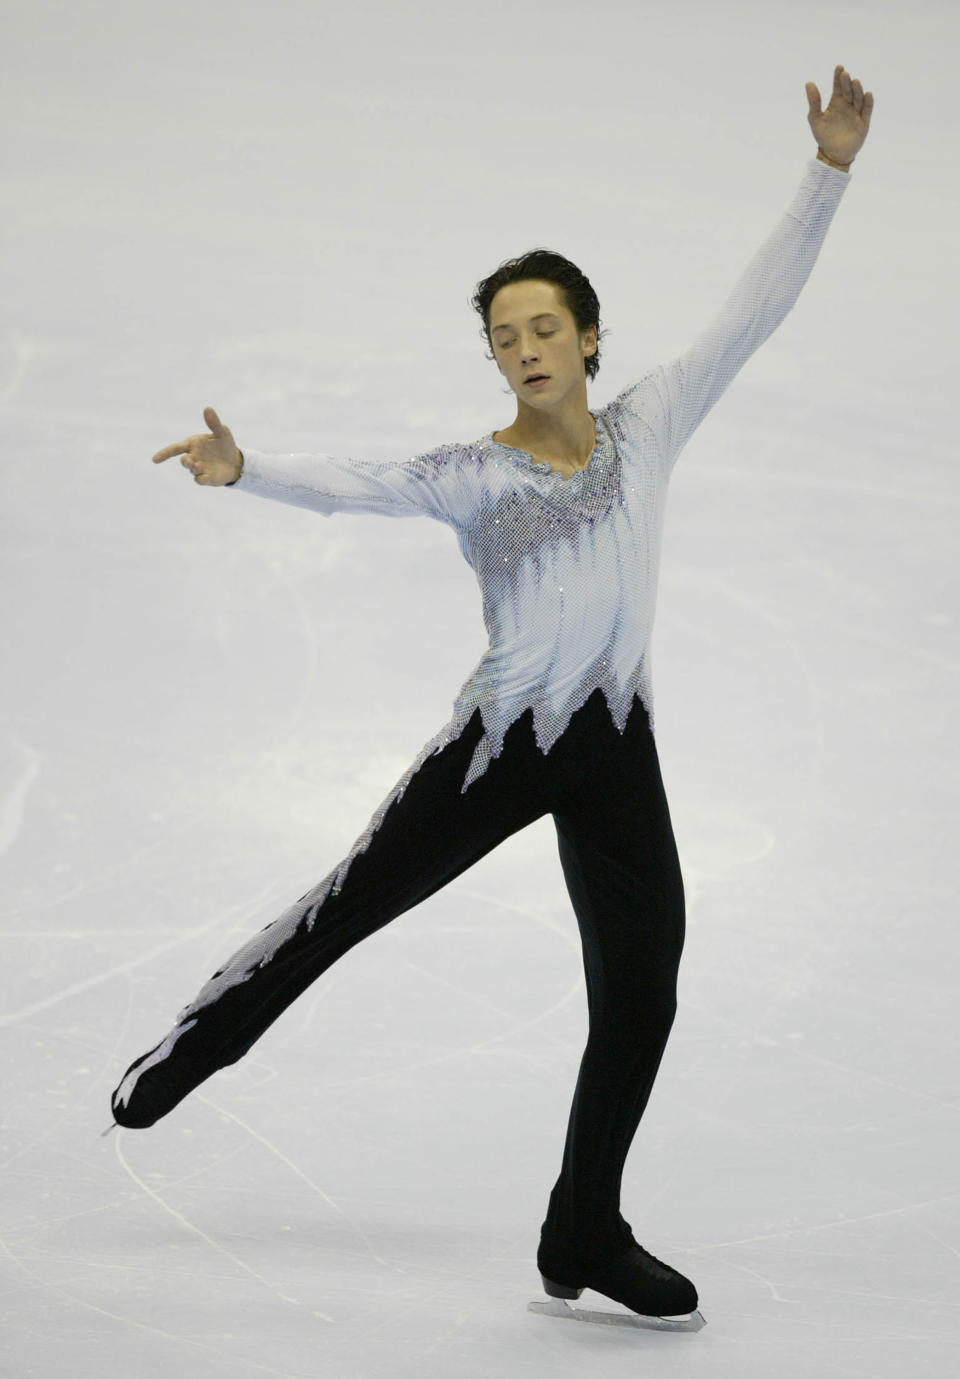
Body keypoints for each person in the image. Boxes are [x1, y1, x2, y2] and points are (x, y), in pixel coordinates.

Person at [109, 67, 873, 1325]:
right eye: (502, 339)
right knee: (346, 911)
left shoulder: (651, 423)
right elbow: (362, 482)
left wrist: (827, 171)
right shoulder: (479, 472)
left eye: (540, 330)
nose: (522, 351)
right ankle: (186, 1052)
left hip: (616, 747)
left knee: (645, 988)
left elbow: (755, 310)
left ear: (587, 337)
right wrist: (248, 468)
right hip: (498, 750)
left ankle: (583, 1225)